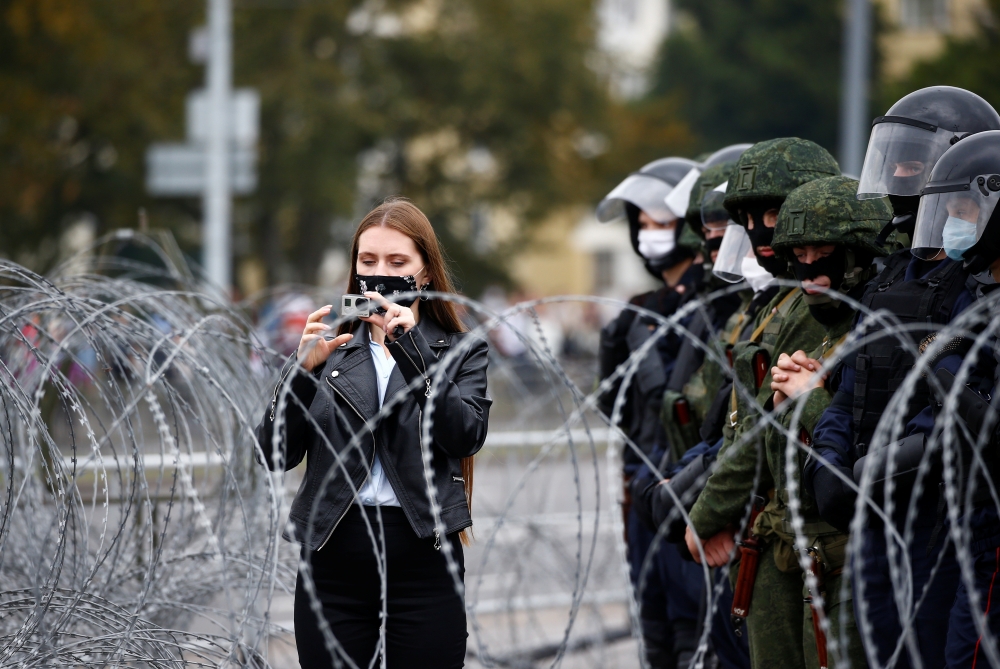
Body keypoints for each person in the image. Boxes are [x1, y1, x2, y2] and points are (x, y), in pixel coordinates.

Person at [796, 88, 998, 669]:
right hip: (873, 506)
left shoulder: (974, 283)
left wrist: (882, 468)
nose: (900, 174)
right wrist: (831, 462)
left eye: (917, 160)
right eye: (896, 158)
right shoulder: (890, 274)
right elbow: (854, 382)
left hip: (931, 504)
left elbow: (964, 393)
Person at [254, 198, 491, 669]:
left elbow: (464, 436)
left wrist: (413, 349)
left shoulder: (461, 350)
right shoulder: (331, 346)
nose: (380, 272)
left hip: (424, 553)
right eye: (368, 261)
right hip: (334, 552)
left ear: (425, 272)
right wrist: (299, 373)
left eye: (397, 262)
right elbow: (275, 453)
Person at [595, 155, 706, 669]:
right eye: (641, 223)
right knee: (652, 622)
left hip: (684, 482)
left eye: (659, 221)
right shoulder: (641, 308)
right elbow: (614, 405)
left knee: (691, 622)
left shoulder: (710, 303)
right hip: (640, 479)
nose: (648, 233)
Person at [897, 130, 1000, 668]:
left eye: (965, 208)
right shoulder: (979, 298)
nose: (954, 220)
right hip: (967, 521)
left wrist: (940, 366)